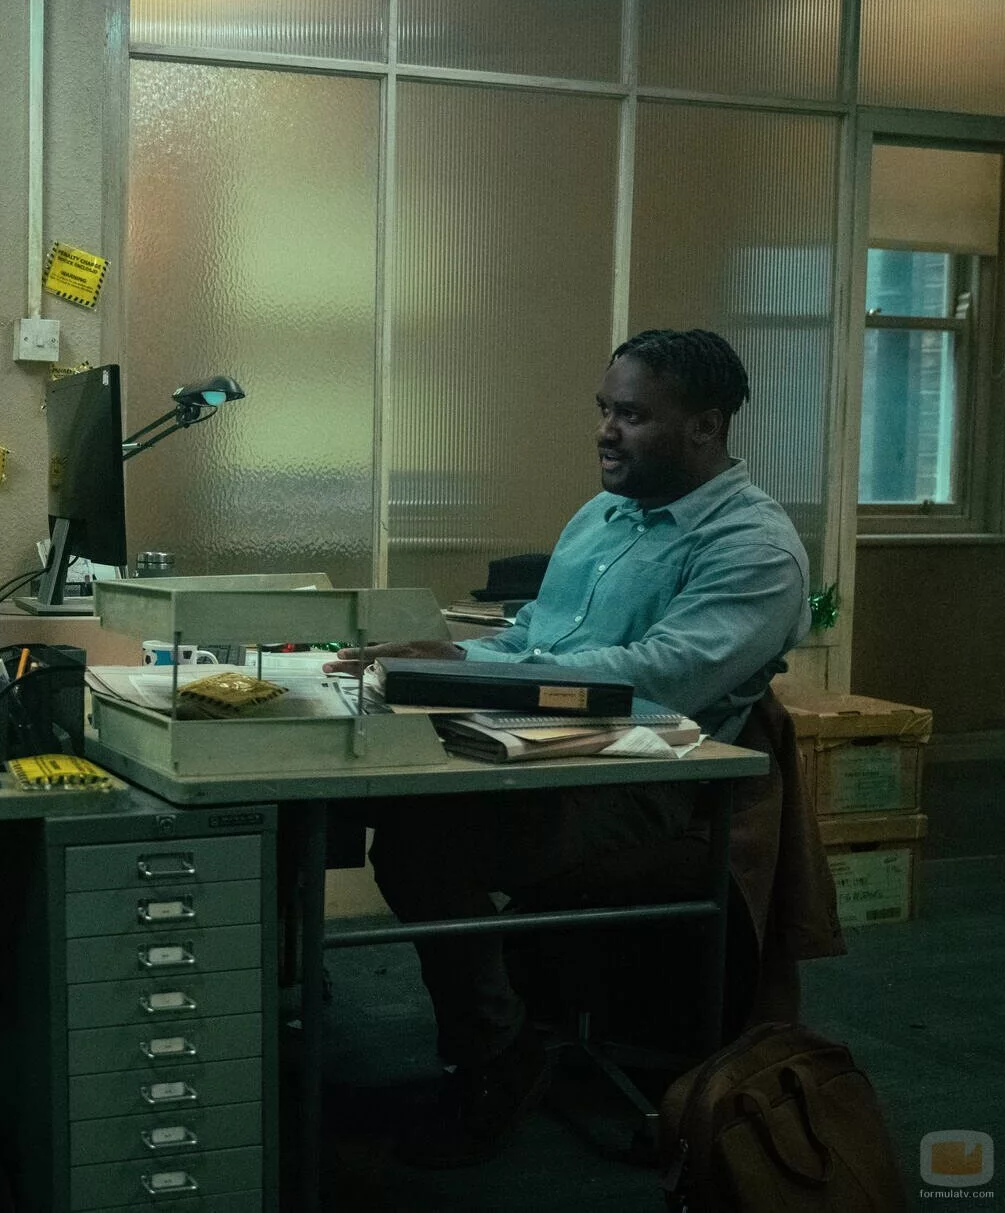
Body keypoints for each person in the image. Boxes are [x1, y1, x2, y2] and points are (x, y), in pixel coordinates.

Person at [342, 329, 811, 1168]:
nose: (605, 431)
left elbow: (658, 677)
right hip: (557, 745)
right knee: (398, 804)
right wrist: (447, 656)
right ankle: (502, 1030)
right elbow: (532, 637)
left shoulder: (754, 548)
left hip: (650, 774)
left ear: (706, 426)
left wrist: (476, 675)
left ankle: (499, 1052)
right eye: (604, 409)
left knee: (426, 839)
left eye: (631, 415)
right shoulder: (602, 516)